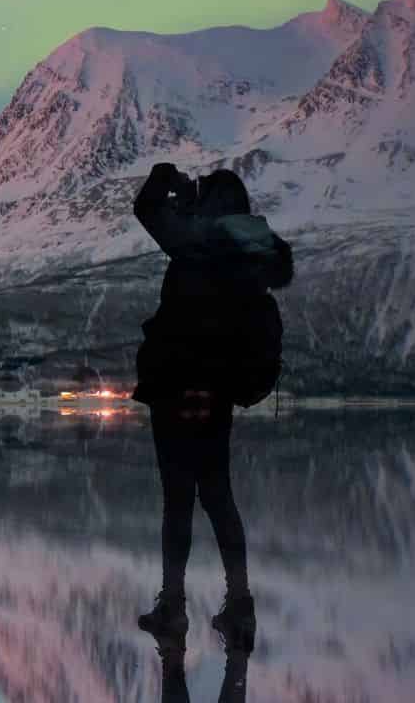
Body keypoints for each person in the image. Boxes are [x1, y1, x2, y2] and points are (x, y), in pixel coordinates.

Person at [130, 162, 292, 653]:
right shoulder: (253, 256)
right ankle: (240, 604)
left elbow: (145, 206)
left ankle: (173, 608)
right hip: (217, 392)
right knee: (218, 495)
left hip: (174, 384)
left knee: (177, 500)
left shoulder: (196, 242)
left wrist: (167, 178)